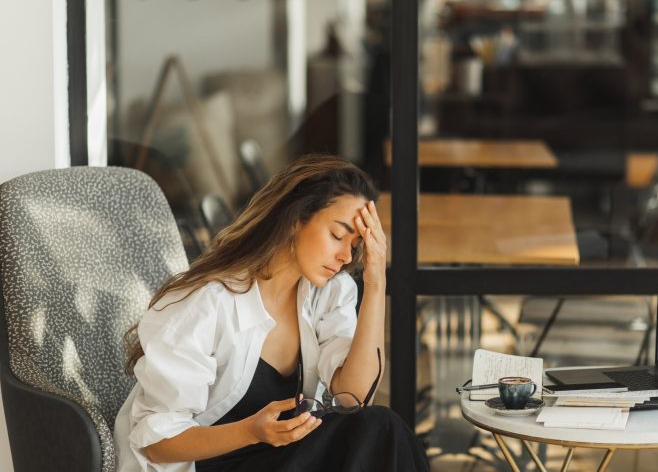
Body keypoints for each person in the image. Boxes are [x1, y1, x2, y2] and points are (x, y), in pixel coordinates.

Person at [114, 155, 429, 472]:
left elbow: (355, 397)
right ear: (295, 220)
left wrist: (376, 282)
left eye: (356, 244)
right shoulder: (206, 303)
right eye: (337, 235)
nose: (346, 255)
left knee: (377, 426)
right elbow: (155, 443)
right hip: (210, 466)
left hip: (281, 460)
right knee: (377, 431)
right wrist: (250, 431)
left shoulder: (327, 292)